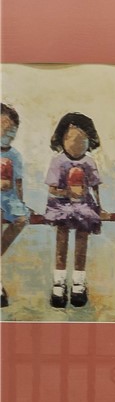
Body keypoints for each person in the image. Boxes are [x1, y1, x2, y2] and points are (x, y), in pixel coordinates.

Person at [43, 111, 105, 309]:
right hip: (61, 205)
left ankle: (78, 283)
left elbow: (95, 187)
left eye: (82, 139)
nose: (76, 144)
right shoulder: (58, 161)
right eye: (71, 139)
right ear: (61, 139)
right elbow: (52, 189)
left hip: (84, 206)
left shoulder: (89, 162)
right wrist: (68, 192)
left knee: (82, 239)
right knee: (62, 239)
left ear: (90, 141)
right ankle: (59, 283)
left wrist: (100, 207)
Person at [0, 103, 25, 309]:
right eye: (4, 127)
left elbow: (18, 182)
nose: (9, 133)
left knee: (21, 219)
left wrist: (21, 202)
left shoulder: (15, 155)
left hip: (9, 198)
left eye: (12, 130)